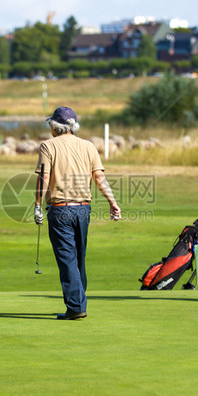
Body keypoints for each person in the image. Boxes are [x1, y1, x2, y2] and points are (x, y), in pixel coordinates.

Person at [34, 106, 120, 320]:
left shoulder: (48, 146)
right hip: (83, 209)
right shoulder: (88, 146)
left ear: (55, 127)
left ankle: (75, 307)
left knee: (68, 259)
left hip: (60, 209)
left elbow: (44, 178)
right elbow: (99, 178)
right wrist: (113, 202)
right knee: (79, 257)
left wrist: (37, 204)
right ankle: (79, 300)